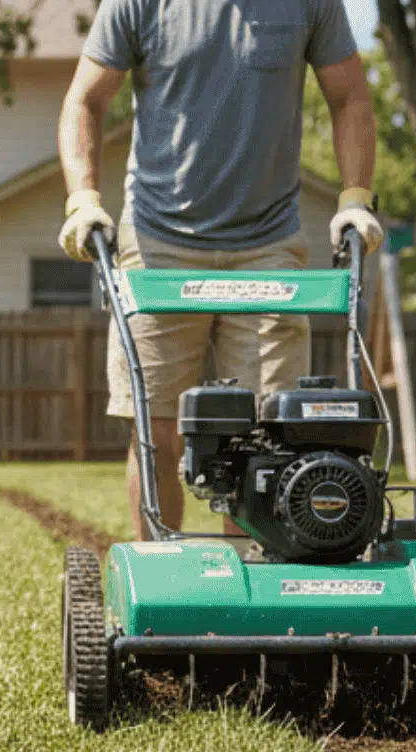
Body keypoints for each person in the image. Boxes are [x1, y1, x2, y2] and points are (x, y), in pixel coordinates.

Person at [57, 0, 384, 538]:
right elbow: (84, 101)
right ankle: (164, 579)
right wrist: (84, 199)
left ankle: (248, 596)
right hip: (158, 243)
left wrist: (355, 198)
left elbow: (349, 98)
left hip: (269, 245)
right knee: (155, 428)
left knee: (269, 431)